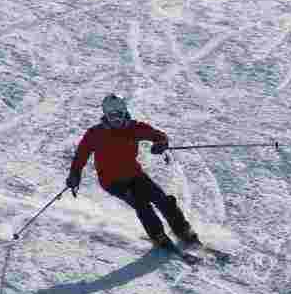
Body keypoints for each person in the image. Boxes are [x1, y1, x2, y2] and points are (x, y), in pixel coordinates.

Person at [65, 94, 198, 249]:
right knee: (142, 205)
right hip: (112, 181)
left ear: (124, 112)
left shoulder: (134, 128)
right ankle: (158, 235)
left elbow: (159, 136)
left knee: (163, 200)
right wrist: (74, 174)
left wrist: (160, 144)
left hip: (135, 175)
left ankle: (183, 230)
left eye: (119, 114)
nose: (116, 119)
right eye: (111, 115)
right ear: (105, 114)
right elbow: (81, 155)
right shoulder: (95, 134)